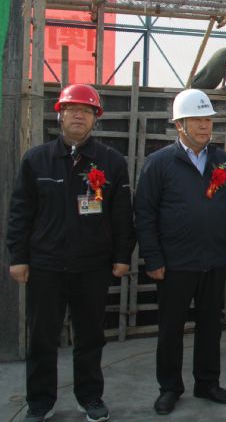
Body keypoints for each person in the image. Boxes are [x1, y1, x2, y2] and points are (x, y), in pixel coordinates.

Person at [5, 83, 135, 422]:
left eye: (87, 111)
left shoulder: (111, 162)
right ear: (60, 115)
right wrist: (18, 257)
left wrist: (122, 256)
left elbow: (122, 214)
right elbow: (20, 212)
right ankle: (40, 402)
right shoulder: (36, 160)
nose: (79, 115)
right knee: (42, 338)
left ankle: (90, 397)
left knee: (90, 337)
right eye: (72, 109)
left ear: (95, 118)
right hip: (45, 265)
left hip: (92, 266)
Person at [135, 89, 226, 415]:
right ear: (179, 124)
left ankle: (207, 382)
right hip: (174, 264)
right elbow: (144, 214)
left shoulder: (223, 161)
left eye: (208, 119)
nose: (205, 126)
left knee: (211, 326)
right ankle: (170, 387)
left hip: (213, 260)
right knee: (171, 329)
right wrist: (153, 259)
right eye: (197, 120)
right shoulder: (159, 163)